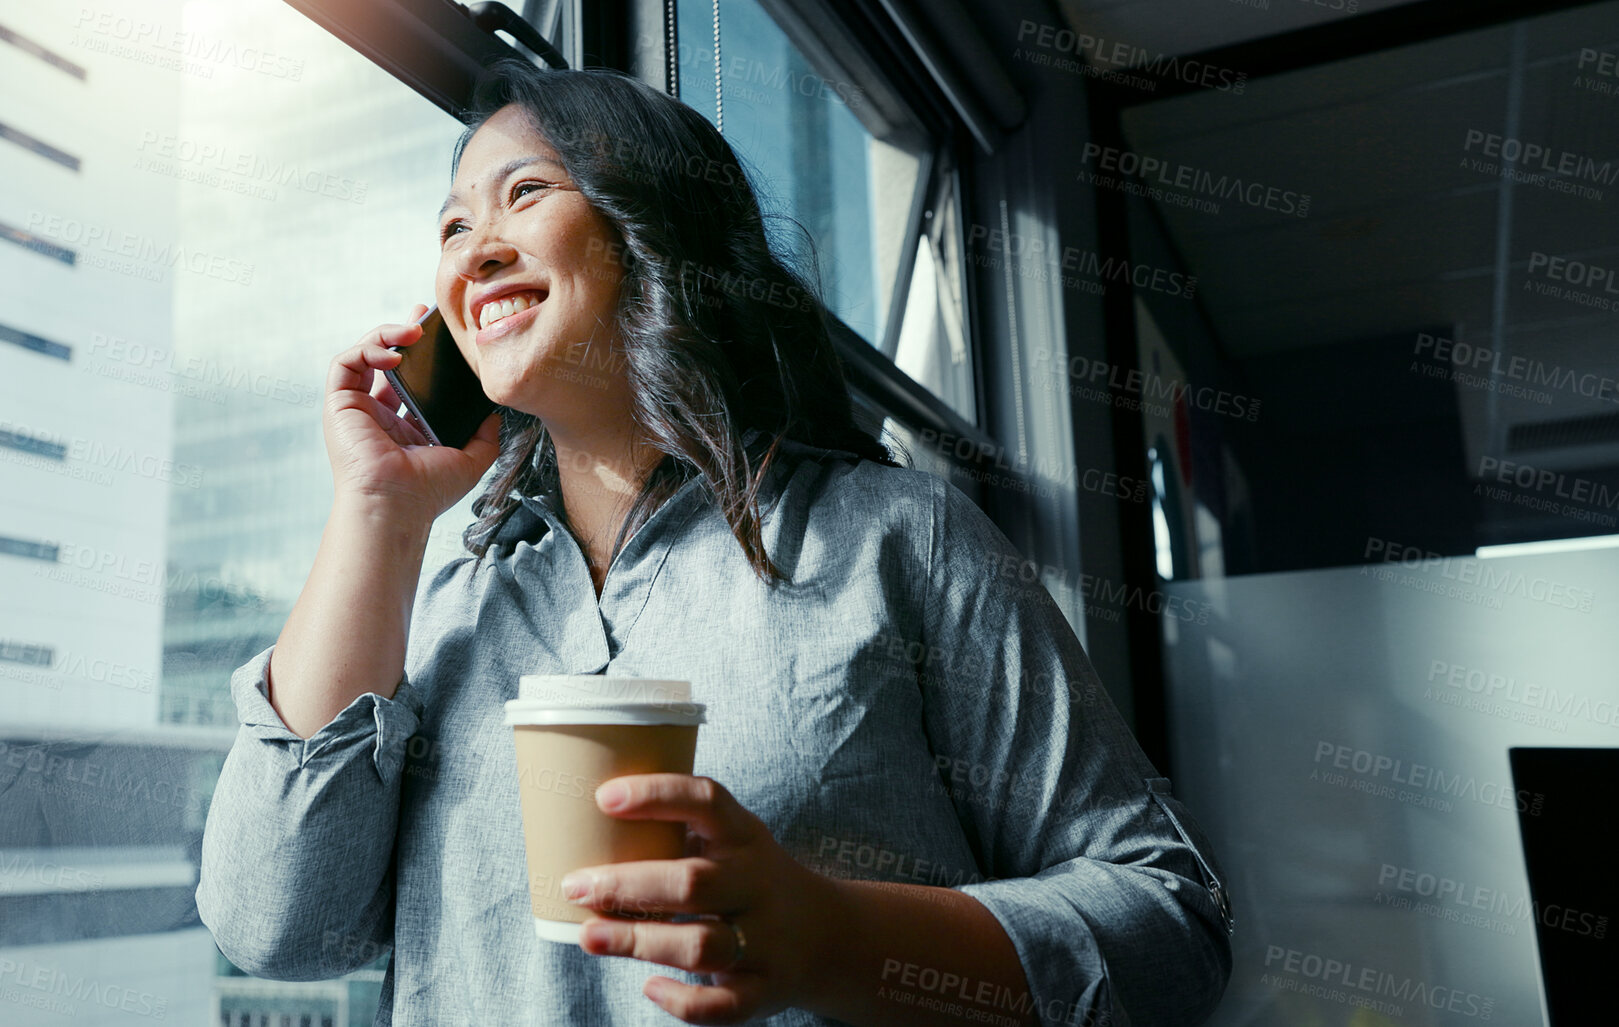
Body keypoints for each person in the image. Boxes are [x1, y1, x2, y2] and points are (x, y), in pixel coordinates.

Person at [196, 59, 1233, 1026]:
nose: (475, 249)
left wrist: (837, 937)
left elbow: (1172, 919)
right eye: (453, 224)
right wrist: (376, 513)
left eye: (524, 194)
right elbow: (277, 927)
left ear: (657, 226)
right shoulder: (436, 605)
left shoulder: (897, 539)